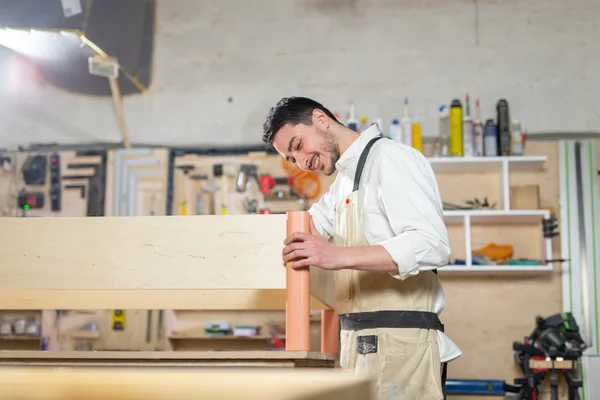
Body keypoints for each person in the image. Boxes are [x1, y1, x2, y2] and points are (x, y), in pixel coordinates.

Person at [262, 96, 461, 400]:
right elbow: (303, 230)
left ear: (321, 119)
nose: (301, 162)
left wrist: (337, 256)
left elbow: (431, 244)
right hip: (357, 346)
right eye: (291, 158)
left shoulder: (391, 159)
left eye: (298, 145)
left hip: (402, 346)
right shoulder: (343, 183)